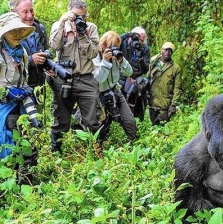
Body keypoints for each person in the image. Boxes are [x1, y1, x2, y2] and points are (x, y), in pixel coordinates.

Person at [0, 12, 39, 184]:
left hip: (20, 104)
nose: (17, 34)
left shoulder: (22, 52)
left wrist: (24, 90)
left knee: (28, 139)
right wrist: (6, 92)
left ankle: (27, 180)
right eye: (12, 30)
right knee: (6, 143)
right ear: (4, 33)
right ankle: (9, 183)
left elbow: (23, 76)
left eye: (19, 29)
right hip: (2, 107)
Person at [48, 0, 100, 153]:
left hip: (86, 78)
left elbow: (93, 53)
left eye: (83, 16)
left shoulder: (91, 28)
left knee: (92, 119)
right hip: (65, 78)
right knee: (61, 120)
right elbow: (54, 46)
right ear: (69, 13)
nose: (80, 19)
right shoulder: (60, 26)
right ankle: (56, 152)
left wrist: (82, 34)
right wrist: (62, 22)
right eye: (77, 16)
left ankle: (95, 150)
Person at [93, 31, 137, 142]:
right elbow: (99, 79)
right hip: (99, 95)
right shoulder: (94, 56)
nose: (114, 50)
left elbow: (129, 72)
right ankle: (99, 148)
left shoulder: (116, 56)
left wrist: (122, 61)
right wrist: (105, 62)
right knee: (101, 125)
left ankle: (134, 143)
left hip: (115, 91)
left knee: (129, 120)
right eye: (111, 47)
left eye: (117, 47)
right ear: (103, 45)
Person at [9, 0, 49, 89]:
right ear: (13, 12)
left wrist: (46, 59)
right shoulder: (6, 34)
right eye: (25, 12)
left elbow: (46, 48)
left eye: (31, 10)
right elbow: (4, 63)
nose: (30, 15)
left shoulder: (39, 29)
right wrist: (30, 60)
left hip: (39, 87)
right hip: (17, 89)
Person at [120, 26, 150, 121]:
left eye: (142, 40)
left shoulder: (144, 48)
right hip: (121, 78)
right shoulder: (123, 44)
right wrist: (128, 34)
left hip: (136, 80)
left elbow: (145, 70)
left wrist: (140, 60)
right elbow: (111, 42)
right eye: (138, 39)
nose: (140, 42)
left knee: (137, 103)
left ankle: (136, 121)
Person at [147, 42, 181, 126]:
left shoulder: (175, 68)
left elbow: (177, 88)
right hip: (152, 103)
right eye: (166, 50)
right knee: (153, 127)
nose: (167, 52)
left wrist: (173, 105)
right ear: (161, 50)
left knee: (162, 130)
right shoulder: (153, 62)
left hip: (165, 106)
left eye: (170, 50)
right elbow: (147, 78)